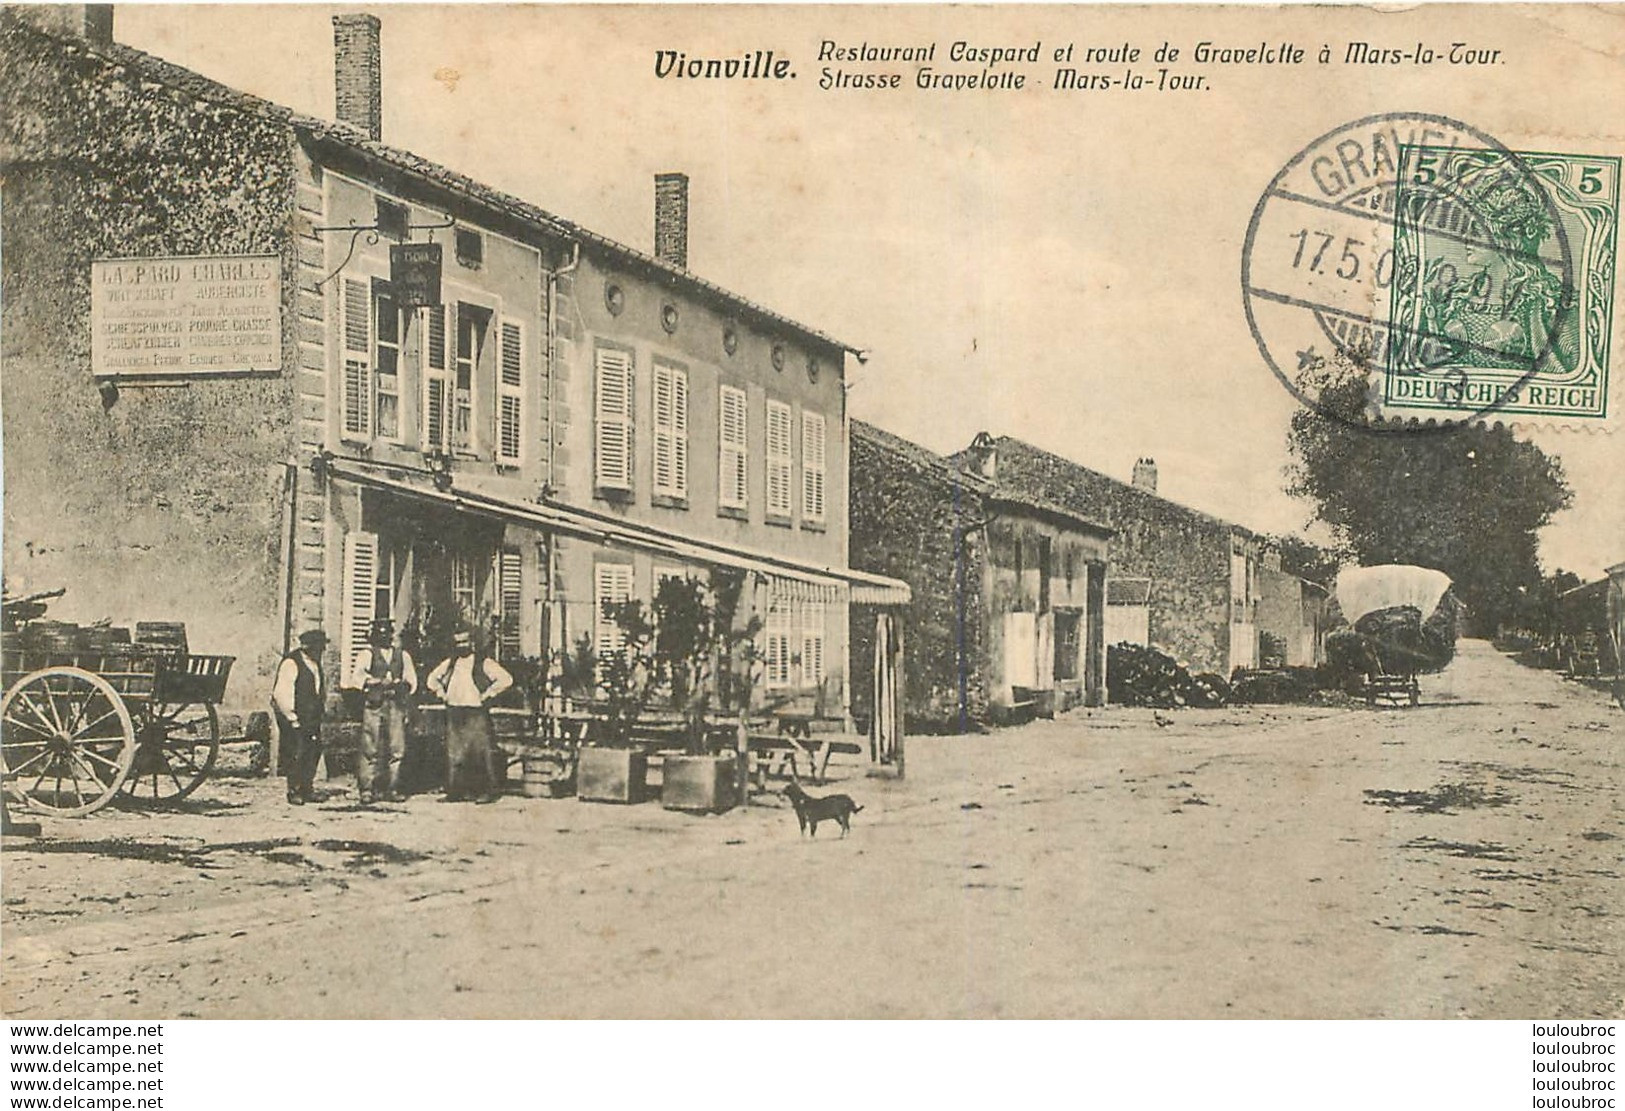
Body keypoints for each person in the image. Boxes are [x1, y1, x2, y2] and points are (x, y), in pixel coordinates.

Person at [424, 629, 513, 803]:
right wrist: (442, 694)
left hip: (476, 711)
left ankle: (486, 791)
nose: (461, 646)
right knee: (455, 753)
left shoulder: (483, 662)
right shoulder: (450, 663)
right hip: (455, 710)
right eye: (457, 642)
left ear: (472, 642)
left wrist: (488, 694)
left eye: (464, 642)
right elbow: (431, 679)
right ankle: (455, 791)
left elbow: (506, 679)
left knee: (480, 752)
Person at [344, 617, 417, 804]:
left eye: (387, 634)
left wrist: (403, 684)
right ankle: (367, 789)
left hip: (395, 704)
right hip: (375, 704)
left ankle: (393, 788)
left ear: (392, 635)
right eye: (380, 634)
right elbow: (357, 676)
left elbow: (412, 680)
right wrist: (374, 681)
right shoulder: (367, 654)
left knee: (397, 748)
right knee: (370, 746)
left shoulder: (403, 655)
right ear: (374, 636)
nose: (384, 637)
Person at [272, 629, 328, 806]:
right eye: (318, 648)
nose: (321, 652)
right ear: (307, 647)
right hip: (294, 715)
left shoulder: (314, 663)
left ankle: (307, 788)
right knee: (296, 751)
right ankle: (294, 790)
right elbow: (282, 693)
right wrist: (292, 717)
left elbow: (317, 689)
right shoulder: (291, 663)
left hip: (311, 716)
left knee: (313, 750)